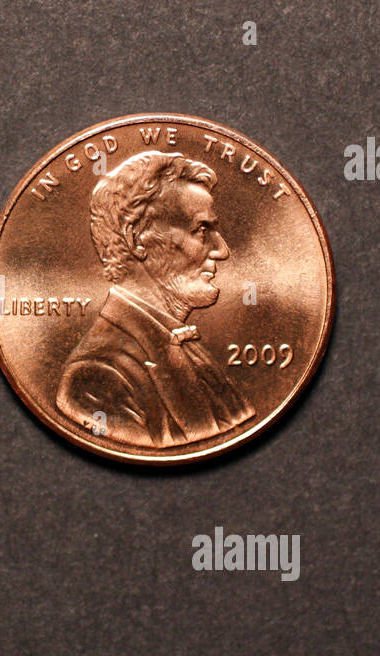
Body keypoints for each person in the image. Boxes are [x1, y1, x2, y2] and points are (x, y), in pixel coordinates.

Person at [56, 150, 254, 447]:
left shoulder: (188, 349)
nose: (221, 250)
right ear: (136, 239)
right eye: (201, 229)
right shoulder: (95, 377)